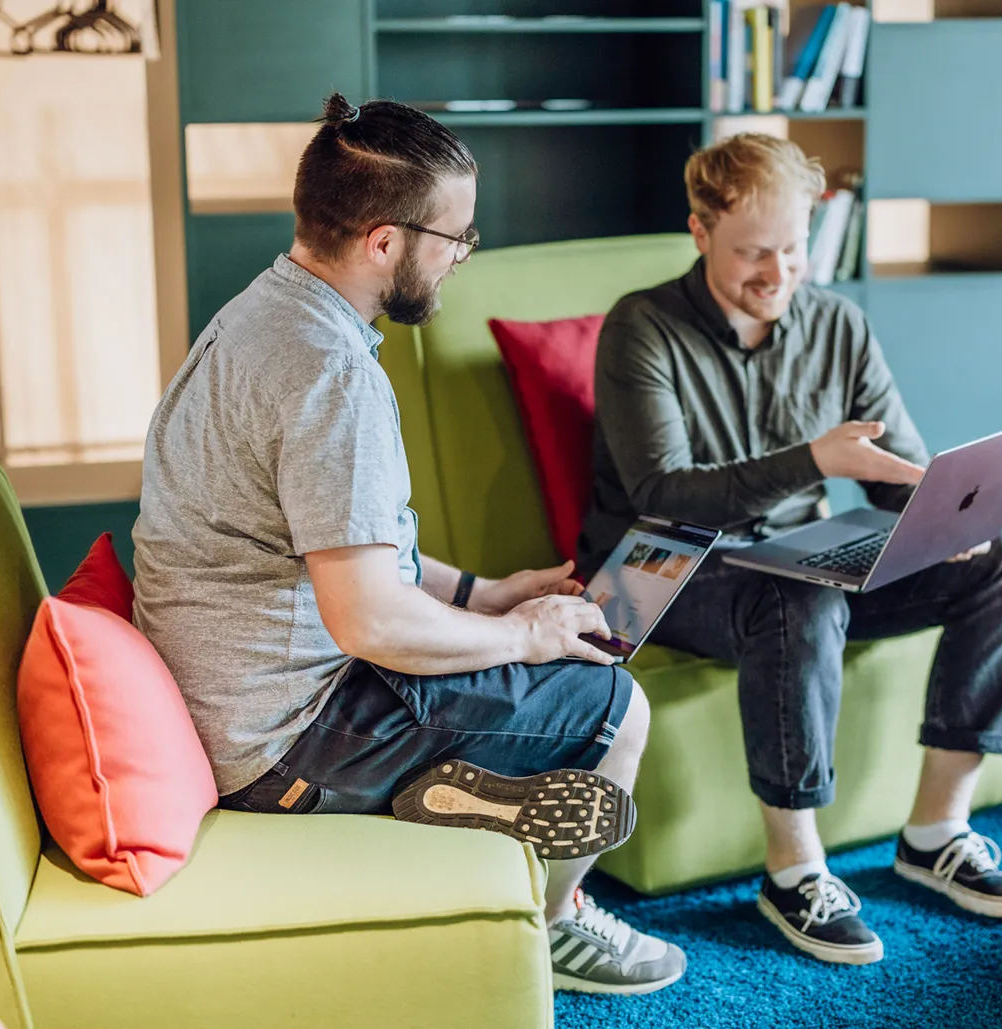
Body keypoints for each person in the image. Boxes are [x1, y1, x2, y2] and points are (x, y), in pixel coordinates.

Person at [133, 93, 684, 996]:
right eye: (456, 236)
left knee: (551, 650)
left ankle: (461, 799)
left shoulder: (259, 317)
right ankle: (555, 929)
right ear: (384, 242)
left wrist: (485, 593)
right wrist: (527, 636)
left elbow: (342, 546)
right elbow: (368, 617)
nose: (465, 255)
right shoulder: (330, 373)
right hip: (283, 743)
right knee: (612, 701)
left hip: (239, 700)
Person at [579, 133, 1002, 966]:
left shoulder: (838, 324)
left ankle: (937, 828)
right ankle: (793, 870)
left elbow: (895, 468)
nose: (779, 273)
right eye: (753, 253)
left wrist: (949, 514)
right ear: (698, 231)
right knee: (795, 592)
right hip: (653, 570)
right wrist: (813, 461)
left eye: (793, 249)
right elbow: (663, 493)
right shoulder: (639, 327)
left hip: (797, 556)